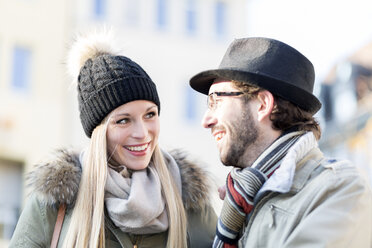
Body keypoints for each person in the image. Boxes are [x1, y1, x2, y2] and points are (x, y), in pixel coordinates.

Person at [9, 31, 217, 248]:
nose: (142, 133)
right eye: (123, 121)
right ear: (99, 131)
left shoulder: (188, 200)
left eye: (150, 115)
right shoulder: (55, 202)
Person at [189, 37, 372, 247]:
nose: (206, 120)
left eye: (216, 102)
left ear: (263, 104)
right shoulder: (238, 202)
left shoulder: (340, 189)